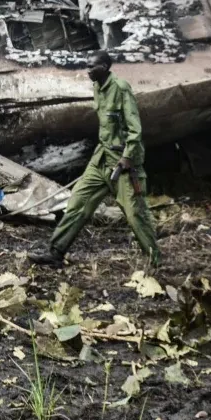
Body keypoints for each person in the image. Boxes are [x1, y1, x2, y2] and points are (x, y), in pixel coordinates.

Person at [30, 51, 159, 269]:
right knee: (77, 203)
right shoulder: (98, 87)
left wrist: (128, 157)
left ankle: (154, 261)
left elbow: (135, 128)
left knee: (135, 214)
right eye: (87, 66)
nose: (88, 70)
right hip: (101, 158)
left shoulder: (120, 88)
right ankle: (56, 252)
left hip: (122, 163)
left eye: (93, 66)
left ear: (106, 67)